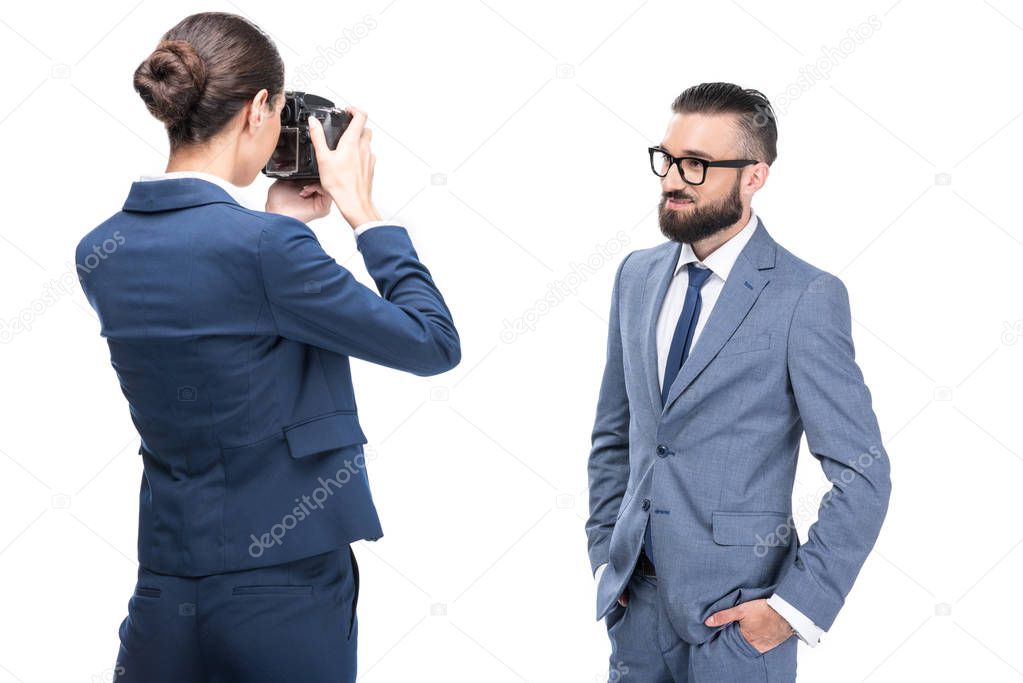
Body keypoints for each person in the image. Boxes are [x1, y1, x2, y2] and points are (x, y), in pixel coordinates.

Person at [74, 12, 459, 682]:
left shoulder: (101, 251)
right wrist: (364, 214)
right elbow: (430, 342)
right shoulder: (268, 251)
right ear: (257, 110)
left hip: (167, 585)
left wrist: (278, 228)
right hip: (285, 589)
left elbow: (216, 339)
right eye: (281, 112)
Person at [585, 82, 891, 682]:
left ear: (754, 177)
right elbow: (613, 435)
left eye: (697, 165)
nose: (673, 179)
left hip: (739, 626)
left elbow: (863, 473)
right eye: (668, 159)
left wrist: (792, 610)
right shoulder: (635, 276)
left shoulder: (806, 296)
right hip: (636, 613)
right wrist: (605, 559)